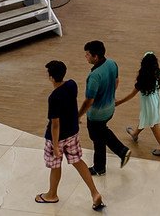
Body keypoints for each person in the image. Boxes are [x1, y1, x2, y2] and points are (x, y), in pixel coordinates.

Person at [36, 60, 106, 209]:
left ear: (51, 78)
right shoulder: (71, 85)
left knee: (56, 165)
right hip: (72, 133)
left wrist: (55, 146)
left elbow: (55, 124)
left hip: (57, 137)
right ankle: (94, 193)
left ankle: (51, 195)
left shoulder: (54, 97)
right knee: (77, 161)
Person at [78, 40, 130, 175]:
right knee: (100, 134)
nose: (86, 57)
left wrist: (78, 115)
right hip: (110, 109)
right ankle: (100, 166)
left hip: (97, 114)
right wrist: (110, 95)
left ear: (96, 57)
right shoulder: (112, 64)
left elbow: (89, 100)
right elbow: (117, 81)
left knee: (97, 135)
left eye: (88, 55)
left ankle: (121, 152)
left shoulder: (94, 76)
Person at [117, 52, 160, 158]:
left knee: (153, 124)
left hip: (148, 104)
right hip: (155, 101)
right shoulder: (159, 73)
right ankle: (135, 134)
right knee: (145, 118)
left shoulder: (142, 78)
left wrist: (118, 102)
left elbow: (131, 95)